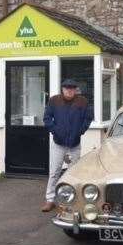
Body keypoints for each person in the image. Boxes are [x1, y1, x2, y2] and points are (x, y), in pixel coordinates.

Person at [41, 79, 93, 212]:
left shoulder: (82, 102)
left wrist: (80, 131)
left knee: (73, 173)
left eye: (72, 88)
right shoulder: (54, 101)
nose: (69, 90)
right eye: (67, 88)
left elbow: (88, 118)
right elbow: (47, 118)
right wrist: (55, 131)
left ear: (75, 90)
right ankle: (50, 199)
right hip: (58, 143)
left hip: (74, 144)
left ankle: (72, 201)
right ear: (62, 89)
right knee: (54, 172)